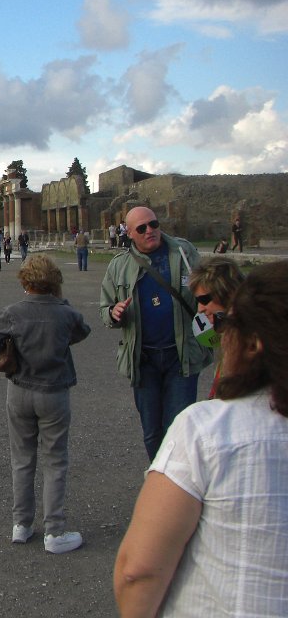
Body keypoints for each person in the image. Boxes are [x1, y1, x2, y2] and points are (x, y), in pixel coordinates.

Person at [113, 260, 288, 617]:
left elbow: (138, 572)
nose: (206, 314)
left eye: (227, 322)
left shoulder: (205, 430)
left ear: (253, 341)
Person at [0, 255, 91, 554]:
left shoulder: (13, 312)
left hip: (19, 389)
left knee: (22, 459)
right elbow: (82, 332)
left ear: (25, 280)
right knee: (55, 461)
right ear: (54, 281)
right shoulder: (66, 313)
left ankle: (21, 523)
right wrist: (60, 302)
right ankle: (54, 530)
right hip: (54, 392)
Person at [99, 207, 212, 461]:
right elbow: (104, 309)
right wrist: (114, 313)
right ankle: (158, 474)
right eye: (142, 228)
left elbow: (208, 291)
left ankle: (175, 479)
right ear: (129, 233)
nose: (150, 230)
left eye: (154, 224)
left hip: (181, 356)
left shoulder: (184, 252)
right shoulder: (119, 266)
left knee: (178, 427)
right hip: (143, 360)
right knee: (152, 431)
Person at [187, 256, 245, 399]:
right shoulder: (228, 333)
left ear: (228, 293)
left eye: (204, 300)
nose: (200, 309)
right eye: (197, 301)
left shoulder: (252, 339)